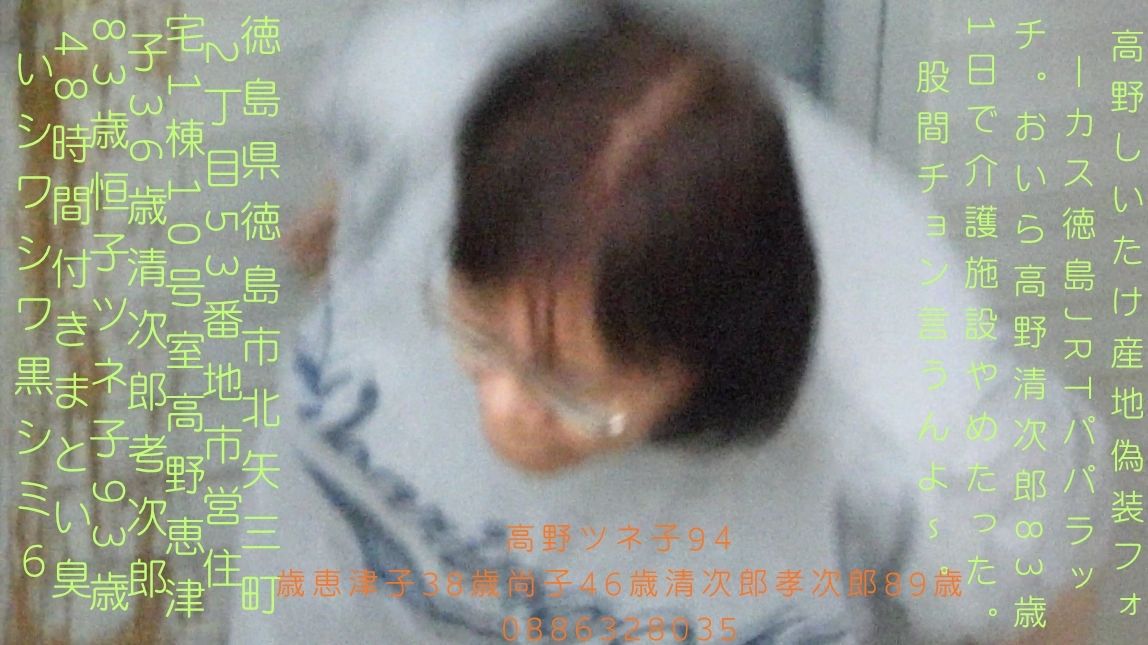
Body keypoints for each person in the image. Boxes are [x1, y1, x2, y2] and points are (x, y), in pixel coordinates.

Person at [233, 2, 1107, 643]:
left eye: (571, 395)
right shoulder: (426, 81)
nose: (501, 415)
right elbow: (373, 153)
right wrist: (358, 218)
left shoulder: (937, 436)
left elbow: (1045, 593)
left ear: (721, 366)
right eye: (474, 334)